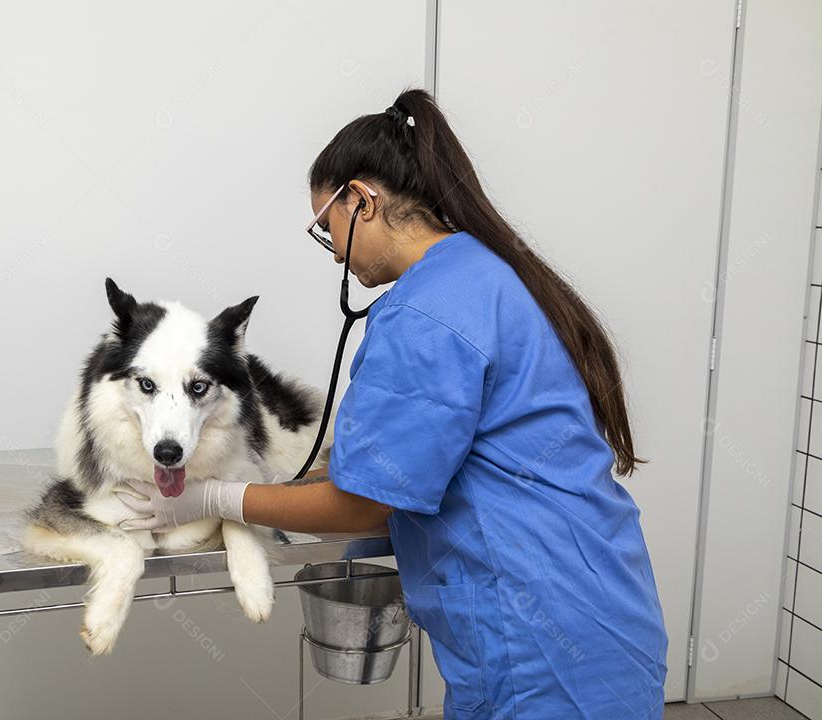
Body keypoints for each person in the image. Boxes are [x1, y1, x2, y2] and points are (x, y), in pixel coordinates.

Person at [119, 88, 669, 719]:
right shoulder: (483, 273)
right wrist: (299, 482)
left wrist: (212, 497)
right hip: (600, 598)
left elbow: (363, 505)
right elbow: (434, 460)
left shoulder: (425, 316)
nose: (335, 250)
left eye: (328, 227)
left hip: (538, 636)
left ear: (363, 200)